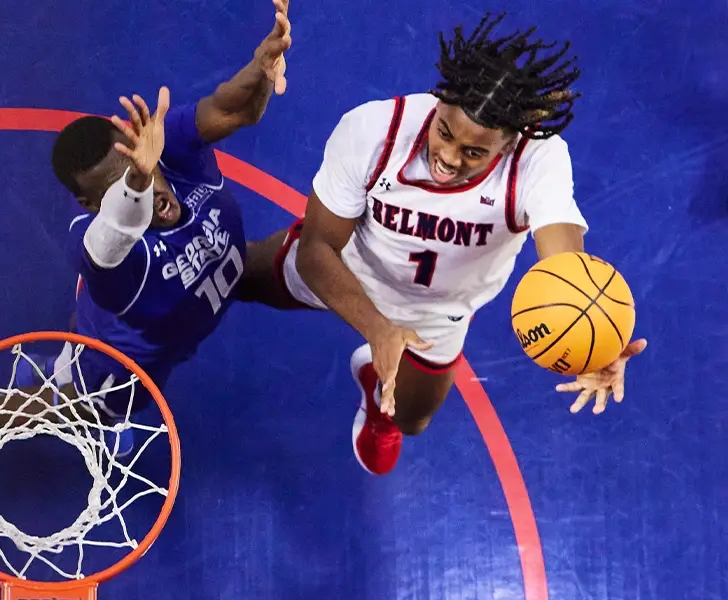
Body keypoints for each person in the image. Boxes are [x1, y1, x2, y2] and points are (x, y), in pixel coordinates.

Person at [0, 0, 296, 474]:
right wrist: (139, 181)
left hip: (181, 310)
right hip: (116, 370)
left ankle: (48, 368)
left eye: (135, 166)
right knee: (57, 411)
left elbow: (235, 108)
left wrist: (260, 65)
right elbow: (111, 241)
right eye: (119, 186)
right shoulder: (104, 249)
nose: (146, 183)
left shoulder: (169, 146)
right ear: (91, 205)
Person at [260, 12, 648, 475]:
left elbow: (564, 266)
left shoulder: (538, 159)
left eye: (474, 152)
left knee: (412, 419)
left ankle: (374, 391)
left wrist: (594, 338)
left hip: (438, 311)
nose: (448, 157)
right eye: (445, 132)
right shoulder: (374, 130)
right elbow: (316, 250)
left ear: (509, 143)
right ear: (440, 101)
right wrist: (378, 329)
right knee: (226, 274)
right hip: (351, 266)